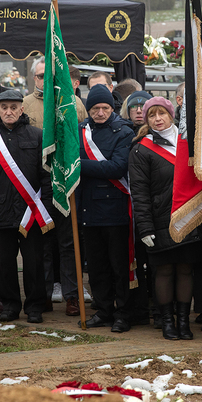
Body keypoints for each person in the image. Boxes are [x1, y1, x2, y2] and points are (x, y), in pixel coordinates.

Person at [0, 90, 53, 324]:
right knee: (5, 264)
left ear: (22, 109)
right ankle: (9, 305)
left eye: (14, 107)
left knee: (34, 264)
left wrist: (45, 208)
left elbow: (46, 177)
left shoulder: (37, 136)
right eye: (4, 107)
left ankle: (35, 306)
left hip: (32, 213)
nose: (9, 111)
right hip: (0, 213)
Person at [129, 96, 202, 341]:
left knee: (185, 270)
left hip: (189, 217)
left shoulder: (189, 142)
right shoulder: (141, 148)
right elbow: (138, 192)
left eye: (161, 114)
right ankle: (167, 322)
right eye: (152, 115)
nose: (157, 119)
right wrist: (145, 228)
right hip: (159, 220)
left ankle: (184, 321)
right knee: (163, 271)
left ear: (172, 115)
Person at [22, 59, 87, 314]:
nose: (44, 82)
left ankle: (72, 295)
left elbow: (80, 142)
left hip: (68, 182)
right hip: (39, 186)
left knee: (69, 242)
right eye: (40, 77)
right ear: (34, 79)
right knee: (44, 245)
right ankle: (45, 295)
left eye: (48, 77)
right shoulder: (25, 105)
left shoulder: (75, 103)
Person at [78, 85, 135, 332]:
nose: (100, 113)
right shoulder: (80, 130)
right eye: (95, 108)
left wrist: (79, 165)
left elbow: (117, 167)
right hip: (88, 209)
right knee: (97, 267)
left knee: (118, 267)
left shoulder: (123, 131)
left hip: (115, 210)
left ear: (112, 108)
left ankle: (123, 313)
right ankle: (104, 310)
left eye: (105, 108)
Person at [22, 59, 86, 129]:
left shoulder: (75, 101)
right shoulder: (24, 104)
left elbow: (84, 131)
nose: (46, 79)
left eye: (50, 75)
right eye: (41, 76)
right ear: (35, 78)